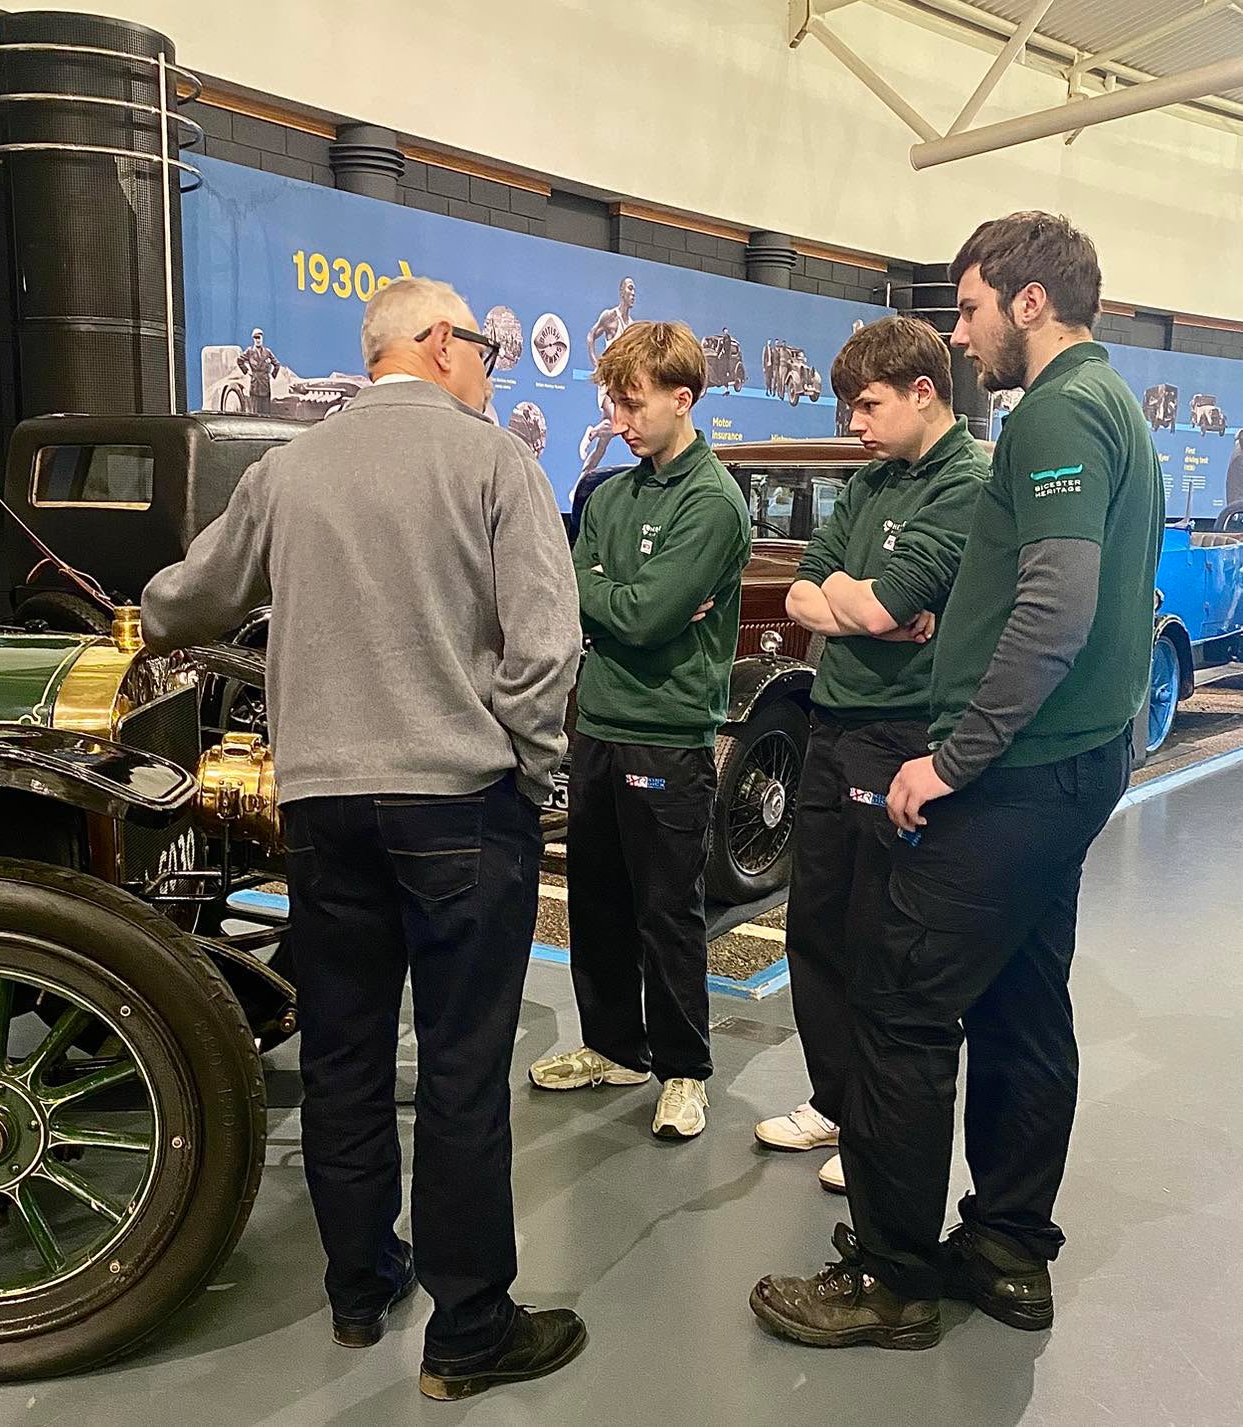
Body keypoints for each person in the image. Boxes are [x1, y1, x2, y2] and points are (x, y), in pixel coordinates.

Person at [141, 276, 588, 1401]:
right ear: (436, 343)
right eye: (481, 343)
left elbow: (185, 605)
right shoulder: (497, 463)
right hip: (458, 806)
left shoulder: (288, 468)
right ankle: (469, 1330)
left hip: (324, 809)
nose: (488, 362)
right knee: (460, 1068)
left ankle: (357, 1289)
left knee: (341, 1054)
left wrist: (146, 603)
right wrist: (523, 764)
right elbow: (547, 646)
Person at [750, 213, 1164, 1351]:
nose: (960, 332)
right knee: (1024, 1001)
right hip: (1075, 766)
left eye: (970, 307)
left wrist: (953, 754)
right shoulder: (1110, 403)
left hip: (1016, 772)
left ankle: (891, 1277)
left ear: (1030, 302)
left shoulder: (1059, 413)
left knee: (898, 1007)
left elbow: (1057, 605)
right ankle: (1006, 1248)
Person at [752, 316, 989, 1195]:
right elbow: (805, 588)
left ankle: (877, 1129)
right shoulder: (869, 482)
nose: (854, 422)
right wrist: (857, 601)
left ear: (924, 392)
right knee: (814, 921)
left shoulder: (967, 481)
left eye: (868, 405)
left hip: (903, 733)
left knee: (882, 936)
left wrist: (863, 603)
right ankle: (834, 1098)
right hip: (834, 720)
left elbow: (890, 607)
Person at [529, 321, 751, 1140]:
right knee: (596, 900)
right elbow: (576, 587)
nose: (620, 420)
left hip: (669, 733)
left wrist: (609, 592)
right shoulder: (612, 494)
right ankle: (613, 1046)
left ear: (681, 398)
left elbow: (648, 615)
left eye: (634, 403)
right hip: (597, 725)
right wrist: (611, 593)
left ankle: (684, 1069)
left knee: (667, 910)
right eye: (613, 404)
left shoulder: (713, 501)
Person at [578, 276, 637, 477]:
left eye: (634, 290)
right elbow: (590, 336)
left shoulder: (633, 326)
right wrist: (596, 364)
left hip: (619, 386)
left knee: (601, 449)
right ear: (621, 292)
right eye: (630, 289)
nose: (633, 293)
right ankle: (592, 432)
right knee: (618, 424)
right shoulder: (610, 317)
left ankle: (580, 483)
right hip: (606, 382)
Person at [237, 328, 280, 415]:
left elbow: (277, 364)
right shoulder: (249, 351)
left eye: (259, 337)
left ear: (262, 338)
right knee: (255, 413)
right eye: (256, 338)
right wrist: (247, 371)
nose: (258, 340)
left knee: (266, 412)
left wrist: (272, 374)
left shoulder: (267, 352)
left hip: (265, 384)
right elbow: (239, 360)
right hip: (255, 385)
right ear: (253, 339)